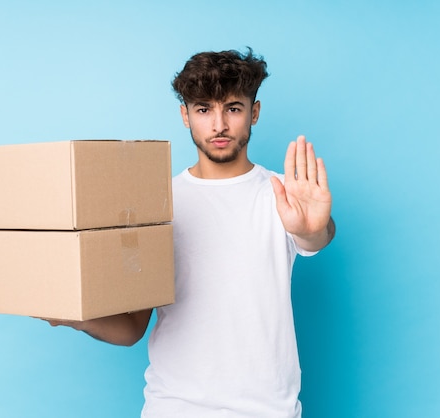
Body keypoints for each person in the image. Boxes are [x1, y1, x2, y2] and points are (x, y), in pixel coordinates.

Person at [42, 48, 335, 417]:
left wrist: (313, 230)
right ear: (185, 116)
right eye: (203, 109)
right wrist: (72, 315)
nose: (218, 126)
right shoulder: (156, 205)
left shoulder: (284, 193)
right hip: (174, 408)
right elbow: (132, 327)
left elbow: (316, 237)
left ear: (254, 113)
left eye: (232, 108)